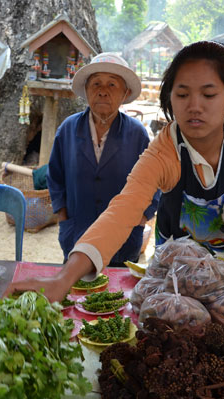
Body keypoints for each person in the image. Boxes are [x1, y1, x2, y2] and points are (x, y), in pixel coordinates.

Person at [7, 41, 224, 302]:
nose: (194, 106)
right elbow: (124, 208)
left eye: (209, 94)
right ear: (170, 97)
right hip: (180, 278)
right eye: (183, 94)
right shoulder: (163, 152)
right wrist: (64, 277)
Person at [48, 53, 159, 266]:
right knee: (77, 292)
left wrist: (142, 217)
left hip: (123, 238)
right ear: (87, 89)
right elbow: (55, 177)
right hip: (77, 233)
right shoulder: (68, 129)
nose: (103, 91)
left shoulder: (137, 134)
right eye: (96, 83)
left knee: (118, 295)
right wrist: (63, 218)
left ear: (125, 93)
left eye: (112, 85)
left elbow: (154, 181)